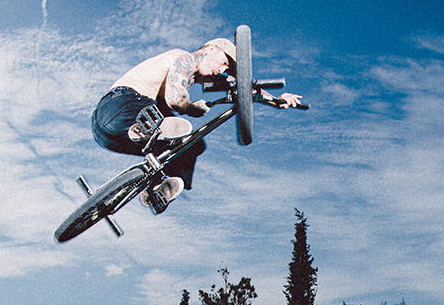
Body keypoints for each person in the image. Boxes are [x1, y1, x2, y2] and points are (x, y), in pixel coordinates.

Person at [90, 38, 302, 213]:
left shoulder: (200, 76)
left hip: (109, 137)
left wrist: (275, 100)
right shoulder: (184, 59)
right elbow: (175, 99)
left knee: (192, 145)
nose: (222, 70)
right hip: (117, 107)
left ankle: (156, 187)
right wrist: (192, 108)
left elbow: (244, 88)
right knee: (173, 120)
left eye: (227, 69)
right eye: (224, 62)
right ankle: (143, 128)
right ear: (211, 49)